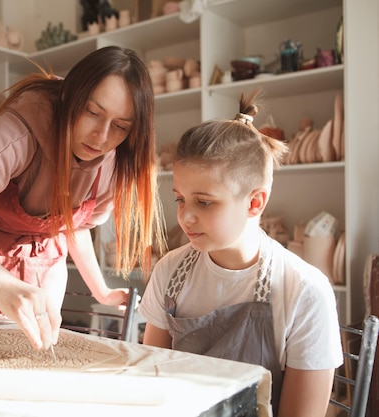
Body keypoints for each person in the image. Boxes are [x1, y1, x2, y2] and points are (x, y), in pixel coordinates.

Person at [0, 46, 165, 353]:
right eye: (92, 113)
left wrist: (101, 291)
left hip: (44, 266)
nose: (101, 137)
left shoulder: (115, 158)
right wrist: (1, 284)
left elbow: (76, 225)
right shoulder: (23, 126)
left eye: (121, 126)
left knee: (34, 363)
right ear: (70, 96)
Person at [138, 91, 342, 417]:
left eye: (204, 202)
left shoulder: (304, 291)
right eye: (180, 199)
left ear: (254, 203)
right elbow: (152, 382)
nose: (185, 217)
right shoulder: (170, 271)